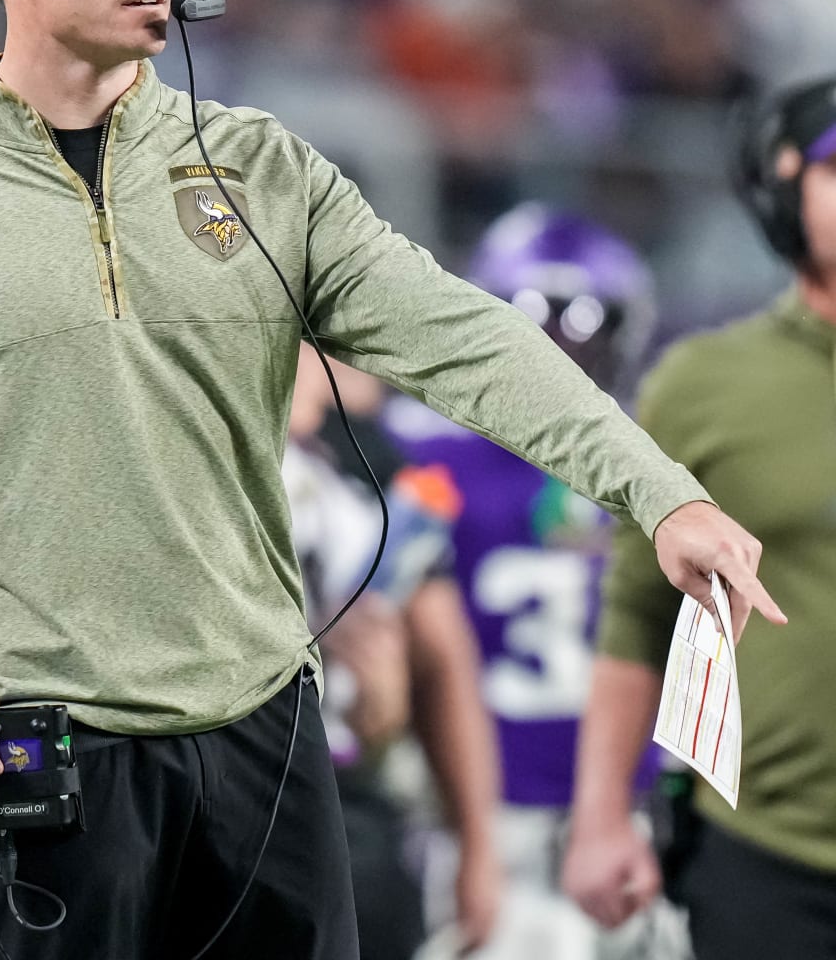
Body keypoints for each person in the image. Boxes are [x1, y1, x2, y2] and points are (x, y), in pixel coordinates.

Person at [0, 0, 783, 960]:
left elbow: (465, 338)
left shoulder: (259, 167)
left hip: (269, 742)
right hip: (44, 754)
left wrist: (659, 490)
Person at [560, 78, 836, 960]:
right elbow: (638, 614)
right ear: (784, 191)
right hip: (765, 850)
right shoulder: (704, 384)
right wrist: (601, 818)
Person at [383, 203, 688, 959]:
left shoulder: (424, 458)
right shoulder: (658, 467)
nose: (563, 351)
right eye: (544, 327)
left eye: (585, 329)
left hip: (601, 802)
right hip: (500, 810)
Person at [286, 343, 501, 960]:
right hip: (224, 785)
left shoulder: (369, 462)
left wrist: (477, 847)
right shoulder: (206, 440)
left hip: (348, 796)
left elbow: (441, 660)